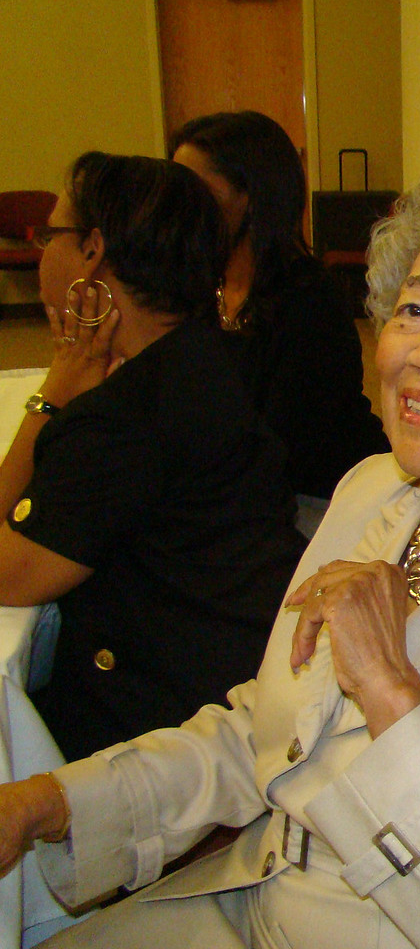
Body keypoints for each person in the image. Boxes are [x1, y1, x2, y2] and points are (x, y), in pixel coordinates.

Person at [0, 158, 420, 949]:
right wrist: (54, 804)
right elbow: (263, 730)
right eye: (416, 308)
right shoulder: (375, 495)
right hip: (246, 900)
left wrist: (396, 698)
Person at [0, 152, 306, 762]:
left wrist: (48, 401)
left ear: (93, 251)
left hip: (174, 716)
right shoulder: (204, 355)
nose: (41, 253)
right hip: (239, 654)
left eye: (48, 235)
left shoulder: (124, 416)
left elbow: (12, 576)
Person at [171, 111, 389, 533]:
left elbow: (280, 448)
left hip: (324, 495)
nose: (178, 208)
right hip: (248, 489)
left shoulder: (309, 298)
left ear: (250, 195)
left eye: (194, 191)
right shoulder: (199, 285)